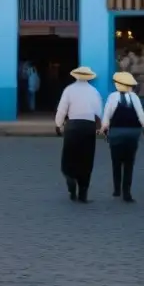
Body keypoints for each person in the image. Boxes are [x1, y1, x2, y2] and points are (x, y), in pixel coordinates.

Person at [55, 66, 103, 203]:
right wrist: (99, 127)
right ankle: (83, 194)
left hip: (72, 127)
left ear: (75, 76)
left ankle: (70, 178)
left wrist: (58, 125)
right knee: (86, 160)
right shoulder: (94, 91)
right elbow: (98, 112)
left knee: (69, 157)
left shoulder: (69, 90)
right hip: (88, 127)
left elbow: (62, 109)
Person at [100, 72, 144, 202]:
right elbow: (141, 115)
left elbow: (107, 115)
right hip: (132, 134)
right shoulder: (135, 97)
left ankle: (117, 189)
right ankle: (127, 192)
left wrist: (104, 128)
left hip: (116, 134)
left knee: (116, 162)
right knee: (129, 163)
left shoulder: (112, 97)